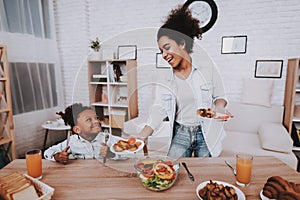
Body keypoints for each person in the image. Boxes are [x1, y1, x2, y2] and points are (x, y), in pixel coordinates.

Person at [134, 5, 230, 158]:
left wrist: (219, 107)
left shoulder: (207, 69)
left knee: (205, 175)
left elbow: (220, 96)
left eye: (167, 48)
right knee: (172, 169)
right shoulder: (165, 78)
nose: (164, 55)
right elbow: (159, 108)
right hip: (181, 132)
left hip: (206, 131)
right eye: (161, 51)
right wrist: (143, 134)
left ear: (182, 43)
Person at [44, 103, 116, 163]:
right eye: (88, 120)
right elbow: (48, 152)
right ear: (77, 129)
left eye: (96, 118)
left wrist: (112, 153)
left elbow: (126, 152)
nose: (96, 121)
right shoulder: (71, 142)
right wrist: (57, 156)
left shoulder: (107, 138)